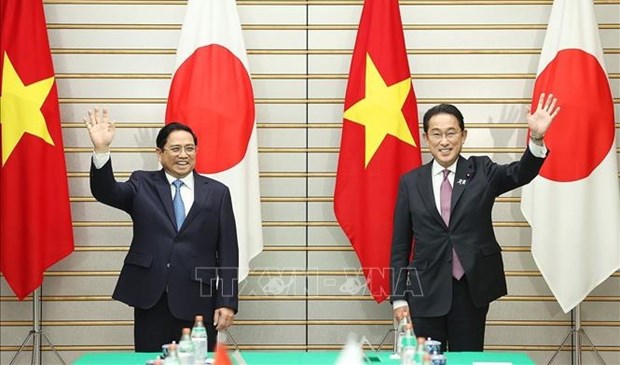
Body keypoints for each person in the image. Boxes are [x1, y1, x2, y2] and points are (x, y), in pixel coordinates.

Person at [390, 93, 560, 352]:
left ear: (463, 135)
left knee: (466, 359)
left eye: (451, 133)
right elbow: (400, 245)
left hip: (470, 290)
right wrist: (398, 298)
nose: (444, 141)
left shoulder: (482, 171)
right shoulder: (411, 182)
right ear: (426, 138)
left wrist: (536, 138)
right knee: (424, 359)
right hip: (425, 290)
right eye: (436, 134)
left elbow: (520, 173)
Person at [84, 107, 239, 352]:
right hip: (151, 297)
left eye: (190, 148)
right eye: (175, 149)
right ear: (159, 153)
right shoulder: (142, 183)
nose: (183, 155)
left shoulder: (217, 192)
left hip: (199, 298)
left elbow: (229, 251)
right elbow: (107, 192)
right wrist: (101, 149)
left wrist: (228, 301)